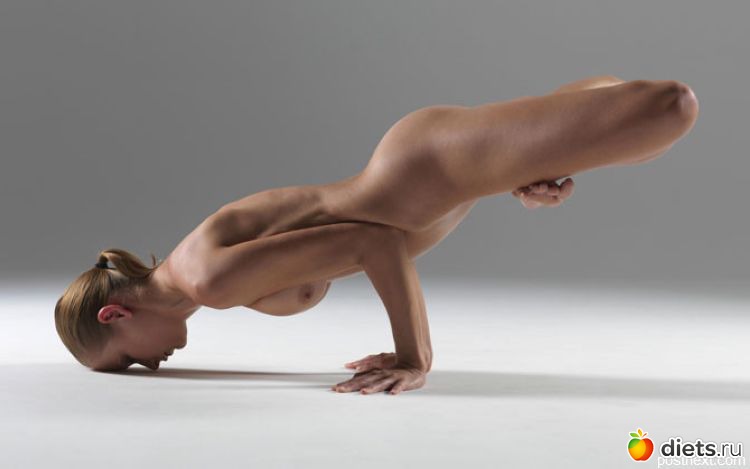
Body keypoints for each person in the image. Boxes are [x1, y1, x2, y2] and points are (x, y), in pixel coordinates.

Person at [54, 75, 699, 395]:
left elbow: (376, 243)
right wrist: (501, 179)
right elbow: (361, 237)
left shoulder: (207, 280)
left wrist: (414, 358)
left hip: (425, 169)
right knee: (642, 142)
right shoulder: (202, 276)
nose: (150, 366)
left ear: (115, 314)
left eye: (127, 360)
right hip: (441, 182)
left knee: (668, 109)